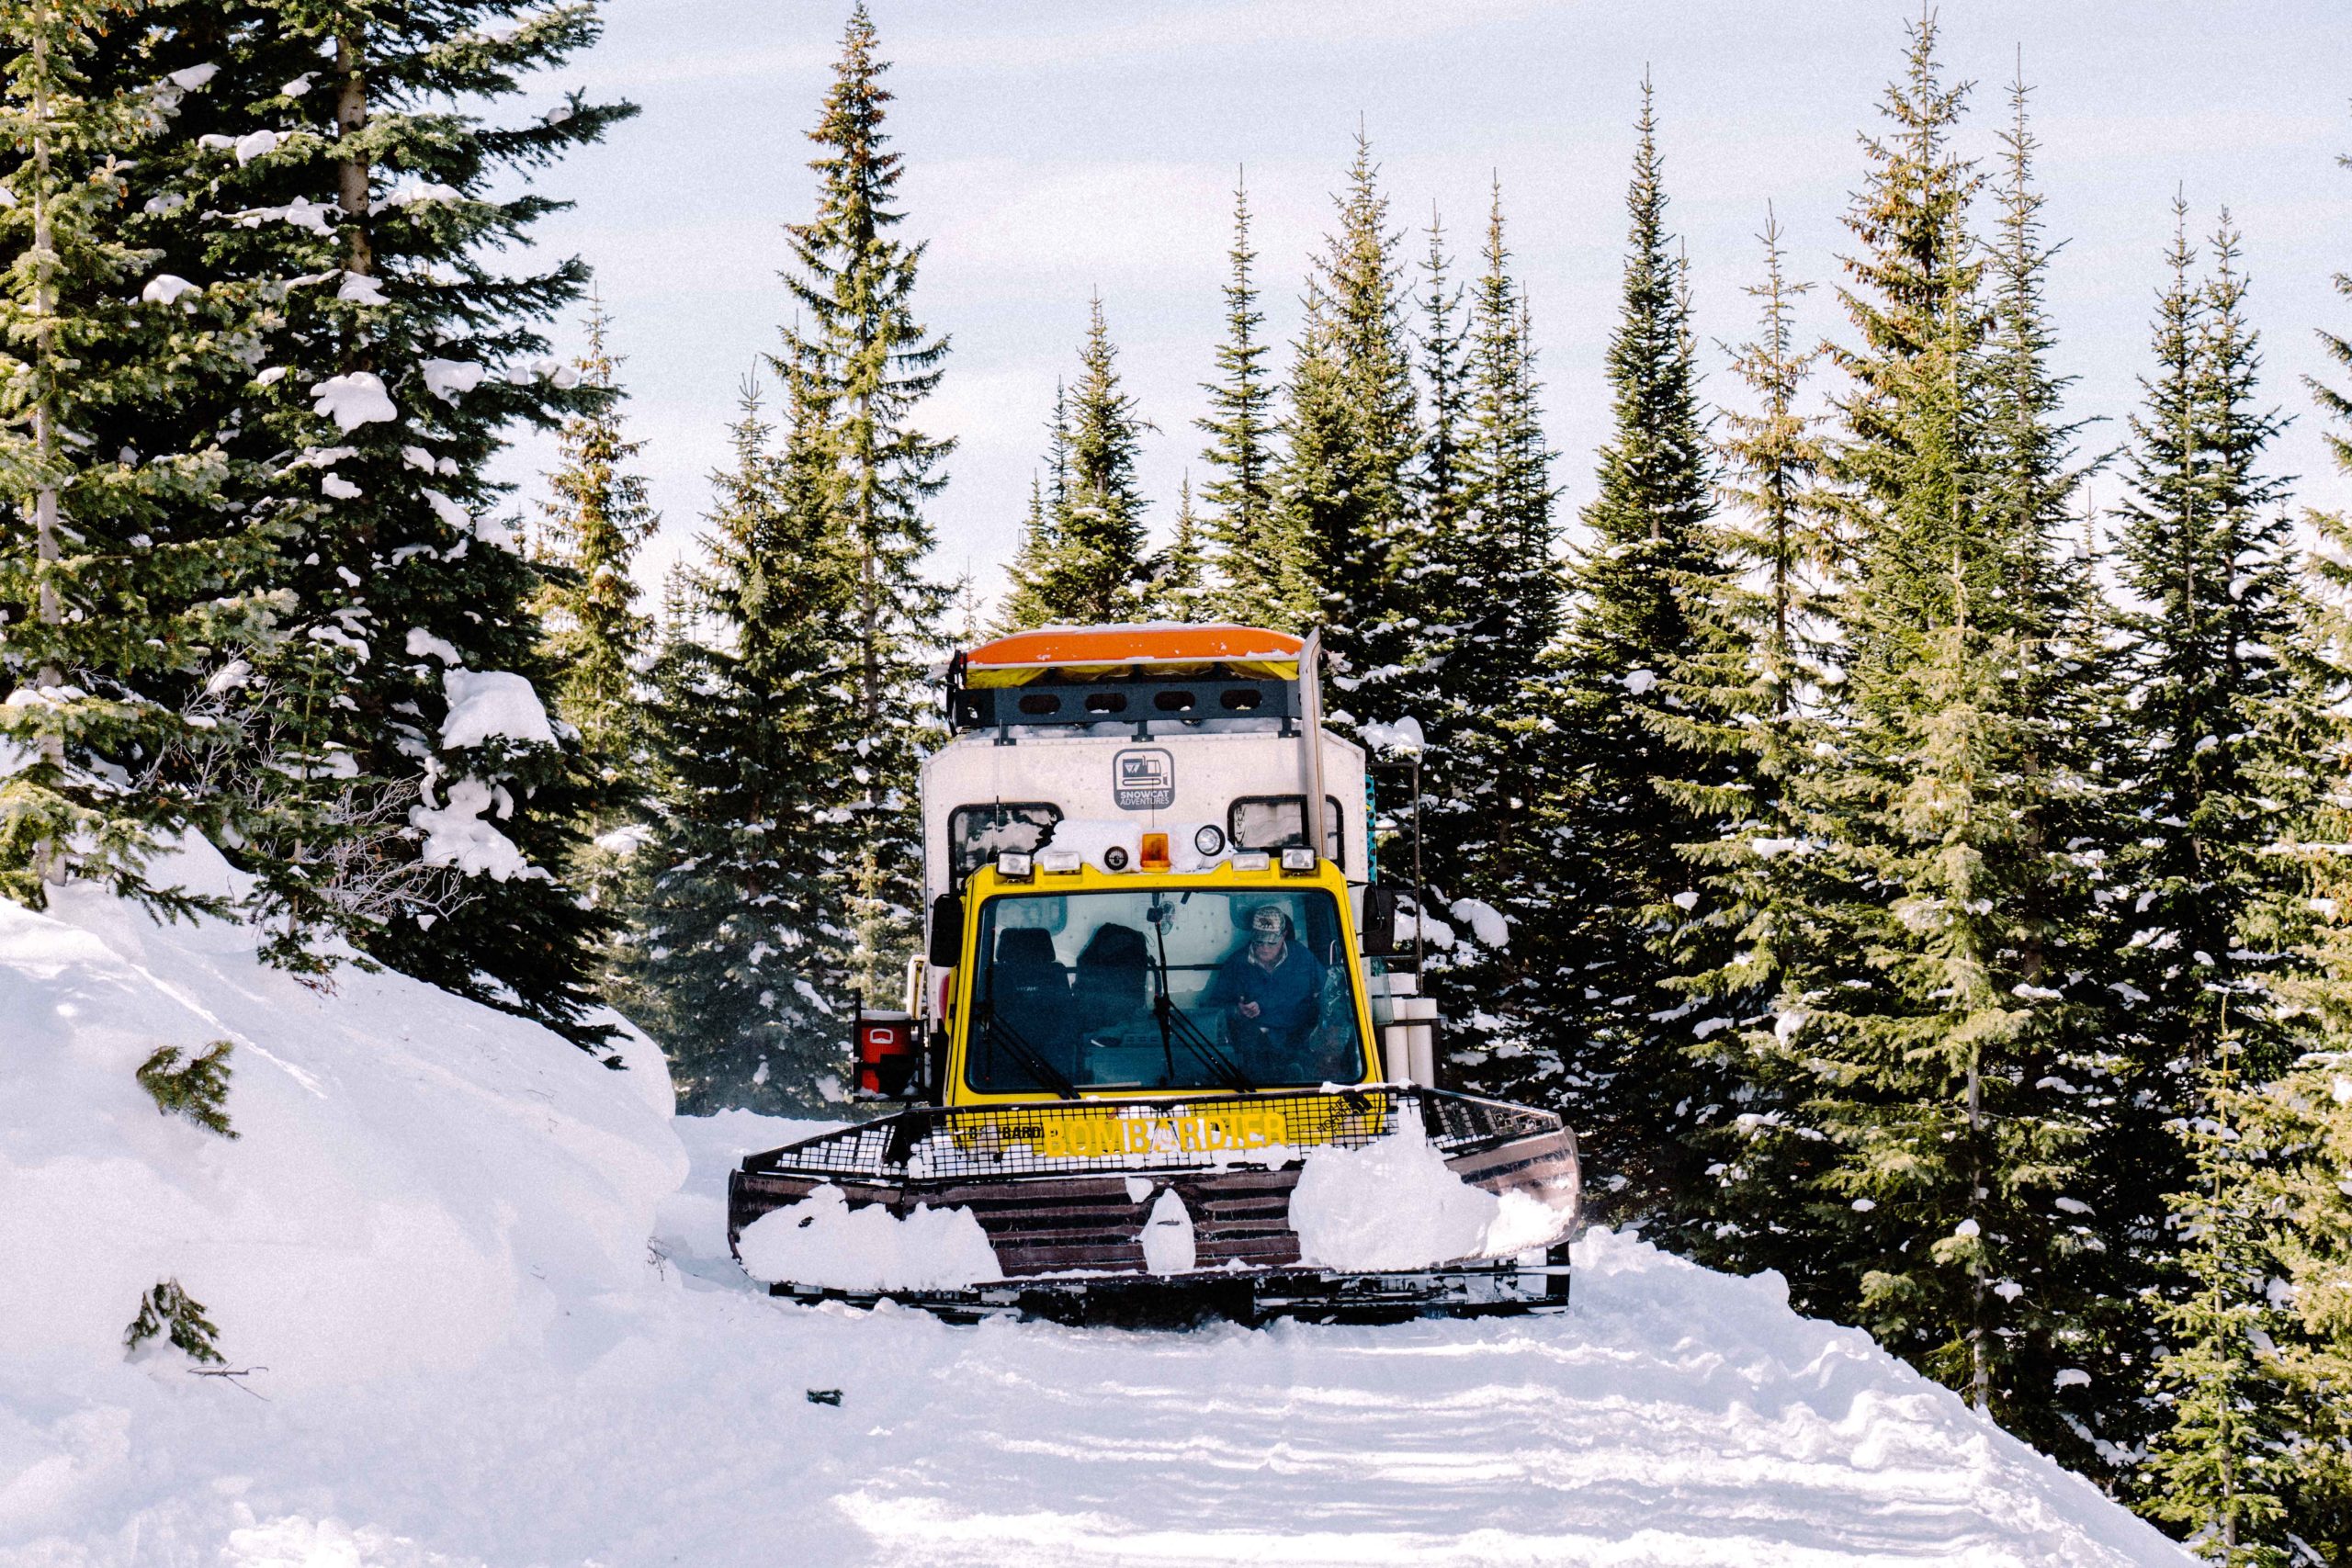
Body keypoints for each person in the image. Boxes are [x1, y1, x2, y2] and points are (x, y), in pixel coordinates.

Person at [1202, 904, 1324, 1070]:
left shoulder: (1302, 957)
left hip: (1298, 1044)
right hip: (1254, 1049)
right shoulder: (1236, 963)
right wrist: (1238, 1011)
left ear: (1283, 936)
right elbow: (1212, 1009)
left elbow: (1328, 993)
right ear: (1252, 934)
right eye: (1259, 941)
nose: (1265, 947)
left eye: (1272, 942)